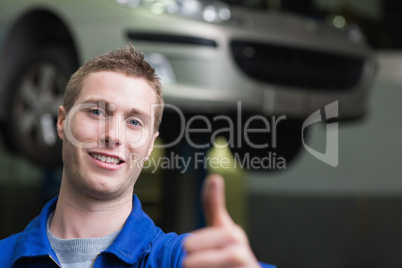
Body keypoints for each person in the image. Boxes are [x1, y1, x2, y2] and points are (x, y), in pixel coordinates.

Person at [0, 45, 275, 268]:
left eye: (134, 122)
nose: (114, 135)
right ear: (62, 121)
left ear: (148, 146)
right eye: (96, 111)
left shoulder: (177, 260)